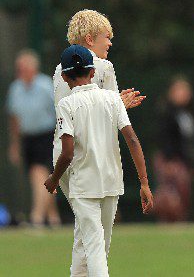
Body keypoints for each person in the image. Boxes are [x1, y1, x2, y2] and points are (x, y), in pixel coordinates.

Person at [44, 45, 153, 276]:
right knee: (97, 245)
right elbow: (132, 140)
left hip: (84, 186)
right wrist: (144, 182)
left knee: (93, 246)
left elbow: (67, 153)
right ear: (93, 72)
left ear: (64, 77)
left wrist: (54, 179)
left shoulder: (66, 105)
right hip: (111, 182)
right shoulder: (112, 99)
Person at [6, 49, 61, 227]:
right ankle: (53, 217)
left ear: (33, 68)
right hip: (27, 138)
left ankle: (36, 216)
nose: (20, 71)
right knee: (40, 177)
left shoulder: (46, 85)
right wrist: (14, 145)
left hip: (46, 136)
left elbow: (59, 111)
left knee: (38, 173)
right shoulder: (16, 88)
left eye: (23, 68)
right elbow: (14, 118)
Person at [153, 77, 194, 222]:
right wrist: (169, 160)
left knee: (183, 194)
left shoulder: (186, 113)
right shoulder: (167, 113)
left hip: (182, 160)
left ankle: (180, 222)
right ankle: (166, 221)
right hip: (170, 160)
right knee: (170, 194)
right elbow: (165, 137)